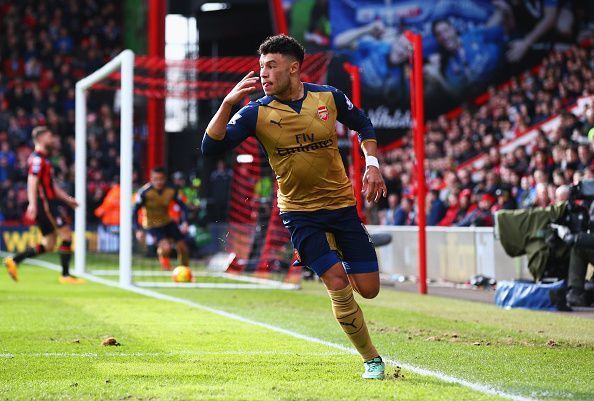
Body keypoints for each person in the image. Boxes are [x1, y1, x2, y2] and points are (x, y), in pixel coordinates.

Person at [201, 35, 387, 379]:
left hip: (341, 206)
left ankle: (337, 247)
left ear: (294, 68)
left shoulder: (328, 97)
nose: (264, 74)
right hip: (299, 213)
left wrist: (372, 163)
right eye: (261, 67)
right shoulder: (255, 112)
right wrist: (227, 103)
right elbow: (210, 148)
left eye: (271, 66)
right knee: (337, 283)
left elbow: (363, 124)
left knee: (370, 289)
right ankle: (371, 359)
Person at [3, 126, 84, 283]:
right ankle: (66, 275)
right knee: (66, 235)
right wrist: (32, 204)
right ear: (40, 139)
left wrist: (68, 200)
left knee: (49, 244)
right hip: (45, 204)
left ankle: (15, 260)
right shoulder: (38, 160)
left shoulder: (44, 159)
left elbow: (52, 186)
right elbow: (32, 181)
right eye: (48, 136)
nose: (52, 139)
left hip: (47, 202)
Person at [133, 167, 190, 271]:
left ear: (165, 179)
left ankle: (185, 270)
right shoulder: (144, 192)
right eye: (155, 179)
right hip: (152, 224)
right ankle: (165, 264)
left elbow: (183, 206)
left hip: (167, 221)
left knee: (183, 247)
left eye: (161, 179)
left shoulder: (172, 189)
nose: (158, 182)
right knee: (166, 248)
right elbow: (134, 211)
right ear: (151, 179)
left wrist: (185, 222)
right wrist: (138, 230)